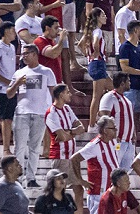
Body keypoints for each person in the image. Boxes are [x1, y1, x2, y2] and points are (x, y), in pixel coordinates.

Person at [7, 43, 56, 188]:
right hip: (22, 113)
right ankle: (17, 178)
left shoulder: (46, 72)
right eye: (23, 54)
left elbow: (54, 93)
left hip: (40, 114)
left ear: (35, 54)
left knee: (35, 148)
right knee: (19, 147)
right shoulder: (19, 73)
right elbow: (9, 94)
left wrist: (53, 111)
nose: (23, 56)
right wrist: (16, 83)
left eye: (26, 53)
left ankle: (31, 178)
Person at [45, 83, 85, 214]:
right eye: (68, 92)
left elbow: (81, 127)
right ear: (61, 94)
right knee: (58, 190)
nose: (70, 94)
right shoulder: (51, 112)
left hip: (71, 156)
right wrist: (72, 132)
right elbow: (61, 136)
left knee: (79, 188)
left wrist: (70, 132)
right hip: (60, 156)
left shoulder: (67, 108)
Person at [70, 115, 119, 214]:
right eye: (113, 128)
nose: (116, 130)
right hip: (98, 193)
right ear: (105, 130)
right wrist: (81, 180)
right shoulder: (94, 146)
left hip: (111, 190)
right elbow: (74, 159)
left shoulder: (112, 142)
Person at [0, 21, 18, 163]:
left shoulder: (12, 47)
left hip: (10, 89)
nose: (14, 32)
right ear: (6, 31)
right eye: (12, 30)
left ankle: (6, 149)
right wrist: (7, 81)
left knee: (8, 119)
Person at [80, 8, 112, 133]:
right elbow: (95, 43)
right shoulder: (97, 31)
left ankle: (99, 113)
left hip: (95, 63)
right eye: (103, 14)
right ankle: (92, 124)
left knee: (113, 87)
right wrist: (97, 53)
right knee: (96, 96)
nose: (105, 16)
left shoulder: (90, 31)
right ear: (97, 17)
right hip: (98, 63)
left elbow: (80, 44)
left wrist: (87, 55)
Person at [98, 72, 135, 170]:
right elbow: (104, 117)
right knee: (113, 168)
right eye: (128, 81)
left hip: (128, 141)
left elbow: (130, 119)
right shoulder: (109, 97)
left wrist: (133, 135)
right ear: (122, 83)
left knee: (125, 172)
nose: (130, 83)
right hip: (117, 141)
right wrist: (112, 135)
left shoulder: (127, 100)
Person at [118, 21, 140, 115]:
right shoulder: (125, 47)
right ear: (136, 30)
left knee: (138, 116)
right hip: (131, 88)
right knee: (129, 114)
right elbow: (124, 68)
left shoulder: (139, 48)